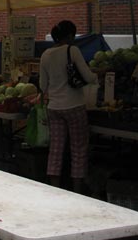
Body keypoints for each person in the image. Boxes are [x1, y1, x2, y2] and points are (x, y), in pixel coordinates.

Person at [39, 20, 98, 193]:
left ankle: (55, 189)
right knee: (78, 149)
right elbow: (88, 77)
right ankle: (77, 190)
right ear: (70, 35)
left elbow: (42, 86)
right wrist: (97, 76)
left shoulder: (45, 55)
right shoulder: (72, 50)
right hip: (74, 106)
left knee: (56, 149)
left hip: (54, 108)